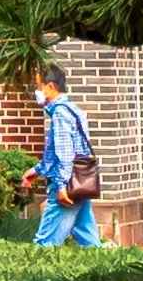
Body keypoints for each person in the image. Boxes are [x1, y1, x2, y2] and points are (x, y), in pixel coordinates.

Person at [33, 83, 101, 250]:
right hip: (80, 180)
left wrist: (62, 186)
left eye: (39, 87)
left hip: (68, 182)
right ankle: (98, 260)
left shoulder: (60, 113)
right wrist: (37, 171)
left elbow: (65, 153)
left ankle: (39, 263)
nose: (37, 92)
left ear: (50, 86)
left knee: (45, 244)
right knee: (88, 239)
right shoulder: (73, 109)